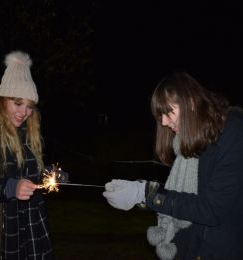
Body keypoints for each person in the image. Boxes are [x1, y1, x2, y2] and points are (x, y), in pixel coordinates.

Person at [103, 71, 243, 260]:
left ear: (191, 102)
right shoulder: (190, 142)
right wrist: (142, 191)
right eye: (160, 115)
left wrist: (148, 193)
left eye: (169, 112)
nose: (164, 122)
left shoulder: (234, 136)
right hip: (187, 250)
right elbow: (182, 200)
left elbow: (210, 209)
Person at [0, 50, 62, 259]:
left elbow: (27, 172)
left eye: (29, 107)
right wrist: (8, 187)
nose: (24, 113)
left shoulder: (28, 133)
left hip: (30, 229)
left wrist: (49, 175)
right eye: (17, 103)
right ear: (2, 99)